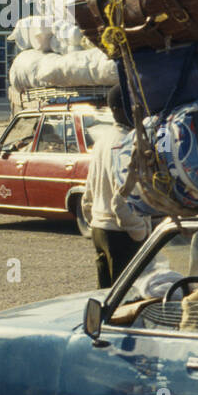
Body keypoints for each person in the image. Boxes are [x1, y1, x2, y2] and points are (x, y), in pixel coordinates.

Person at [82, 87, 148, 289]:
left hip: (100, 229)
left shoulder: (103, 140)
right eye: (133, 106)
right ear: (119, 110)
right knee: (123, 299)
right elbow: (124, 197)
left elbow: (88, 192)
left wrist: (94, 220)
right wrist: (139, 230)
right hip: (121, 232)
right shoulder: (126, 143)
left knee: (105, 296)